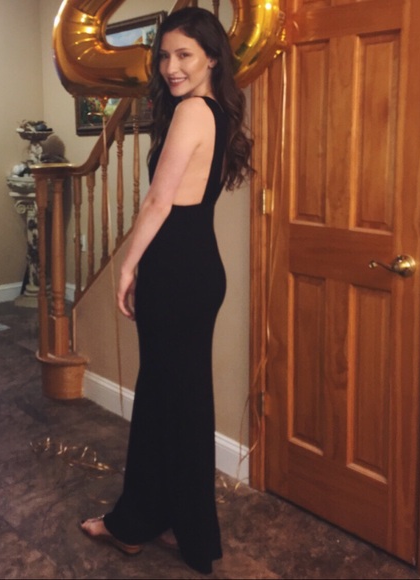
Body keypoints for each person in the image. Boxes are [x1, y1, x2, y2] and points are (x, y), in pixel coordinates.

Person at [80, 7, 253, 575]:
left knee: (162, 403)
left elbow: (158, 200)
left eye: (184, 55)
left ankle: (135, 524)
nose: (171, 67)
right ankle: (183, 525)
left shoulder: (191, 111)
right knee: (181, 402)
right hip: (198, 268)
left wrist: (128, 266)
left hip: (175, 271)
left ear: (211, 58)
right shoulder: (218, 111)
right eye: (164, 56)